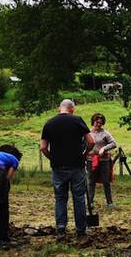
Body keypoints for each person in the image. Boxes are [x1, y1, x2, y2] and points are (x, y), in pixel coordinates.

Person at [40, 99, 95, 241]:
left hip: (58, 167)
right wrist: (84, 154)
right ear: (72, 109)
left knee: (60, 198)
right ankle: (81, 231)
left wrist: (52, 158)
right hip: (76, 165)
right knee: (79, 198)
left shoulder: (49, 123)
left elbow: (43, 147)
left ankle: (61, 230)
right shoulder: (77, 121)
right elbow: (91, 141)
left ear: (60, 108)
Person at [87, 113, 117, 207]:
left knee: (105, 181)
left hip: (104, 160)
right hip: (91, 160)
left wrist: (104, 148)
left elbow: (113, 143)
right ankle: (90, 202)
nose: (98, 124)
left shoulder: (105, 133)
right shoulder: (88, 133)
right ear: (93, 122)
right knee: (91, 181)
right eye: (97, 122)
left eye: (100, 122)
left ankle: (109, 202)